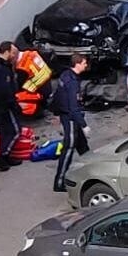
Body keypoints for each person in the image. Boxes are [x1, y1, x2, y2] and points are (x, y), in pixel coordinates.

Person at [49, 54, 91, 192]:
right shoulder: (72, 82)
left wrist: (57, 112)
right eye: (84, 63)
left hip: (65, 114)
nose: (86, 65)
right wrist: (84, 124)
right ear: (77, 64)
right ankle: (59, 182)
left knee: (83, 147)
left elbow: (58, 96)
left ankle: (91, 172)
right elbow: (74, 107)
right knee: (68, 148)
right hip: (71, 119)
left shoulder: (65, 75)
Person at [0, 41, 22, 170]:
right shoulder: (3, 69)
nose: (14, 56)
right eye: (13, 53)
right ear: (6, 52)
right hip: (6, 105)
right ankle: (2, 156)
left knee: (4, 131)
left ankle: (6, 157)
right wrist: (14, 105)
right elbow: (5, 90)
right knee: (15, 131)